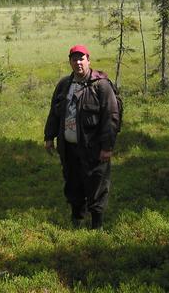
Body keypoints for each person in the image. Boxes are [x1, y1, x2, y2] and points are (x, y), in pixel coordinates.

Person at [44, 44, 121, 230]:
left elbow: (111, 117)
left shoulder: (101, 86)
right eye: (74, 59)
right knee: (72, 183)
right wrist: (49, 137)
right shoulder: (64, 85)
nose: (78, 62)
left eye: (81, 58)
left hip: (93, 148)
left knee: (97, 184)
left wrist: (107, 147)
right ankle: (76, 220)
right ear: (70, 61)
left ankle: (97, 225)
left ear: (88, 60)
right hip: (69, 147)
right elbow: (54, 113)